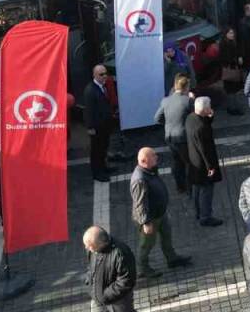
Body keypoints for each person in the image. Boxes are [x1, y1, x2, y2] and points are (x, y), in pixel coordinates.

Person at [130, 148, 190, 277]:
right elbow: (140, 203)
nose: (156, 157)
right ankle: (142, 268)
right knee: (146, 244)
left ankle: (172, 258)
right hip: (150, 219)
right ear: (144, 161)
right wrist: (146, 222)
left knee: (166, 236)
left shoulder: (149, 170)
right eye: (153, 156)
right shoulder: (140, 180)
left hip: (160, 214)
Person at [185, 96, 223, 226]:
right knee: (206, 190)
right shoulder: (202, 128)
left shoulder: (190, 118)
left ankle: (198, 212)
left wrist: (210, 117)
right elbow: (205, 150)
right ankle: (206, 216)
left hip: (194, 160)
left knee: (197, 188)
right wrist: (210, 167)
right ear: (205, 109)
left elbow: (204, 122)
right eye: (209, 107)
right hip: (203, 164)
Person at [83, 225, 137, 312]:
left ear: (101, 243)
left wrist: (104, 296)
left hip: (118, 301)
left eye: (90, 246)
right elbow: (91, 267)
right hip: (98, 298)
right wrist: (89, 283)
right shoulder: (92, 249)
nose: (87, 248)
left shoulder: (121, 253)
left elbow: (126, 281)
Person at [84, 64, 115, 182]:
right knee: (96, 150)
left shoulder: (102, 86)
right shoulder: (90, 90)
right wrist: (90, 127)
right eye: (101, 74)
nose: (105, 76)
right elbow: (89, 111)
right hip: (97, 127)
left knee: (103, 148)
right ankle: (97, 173)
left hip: (104, 125)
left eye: (105, 73)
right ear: (94, 75)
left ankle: (103, 167)